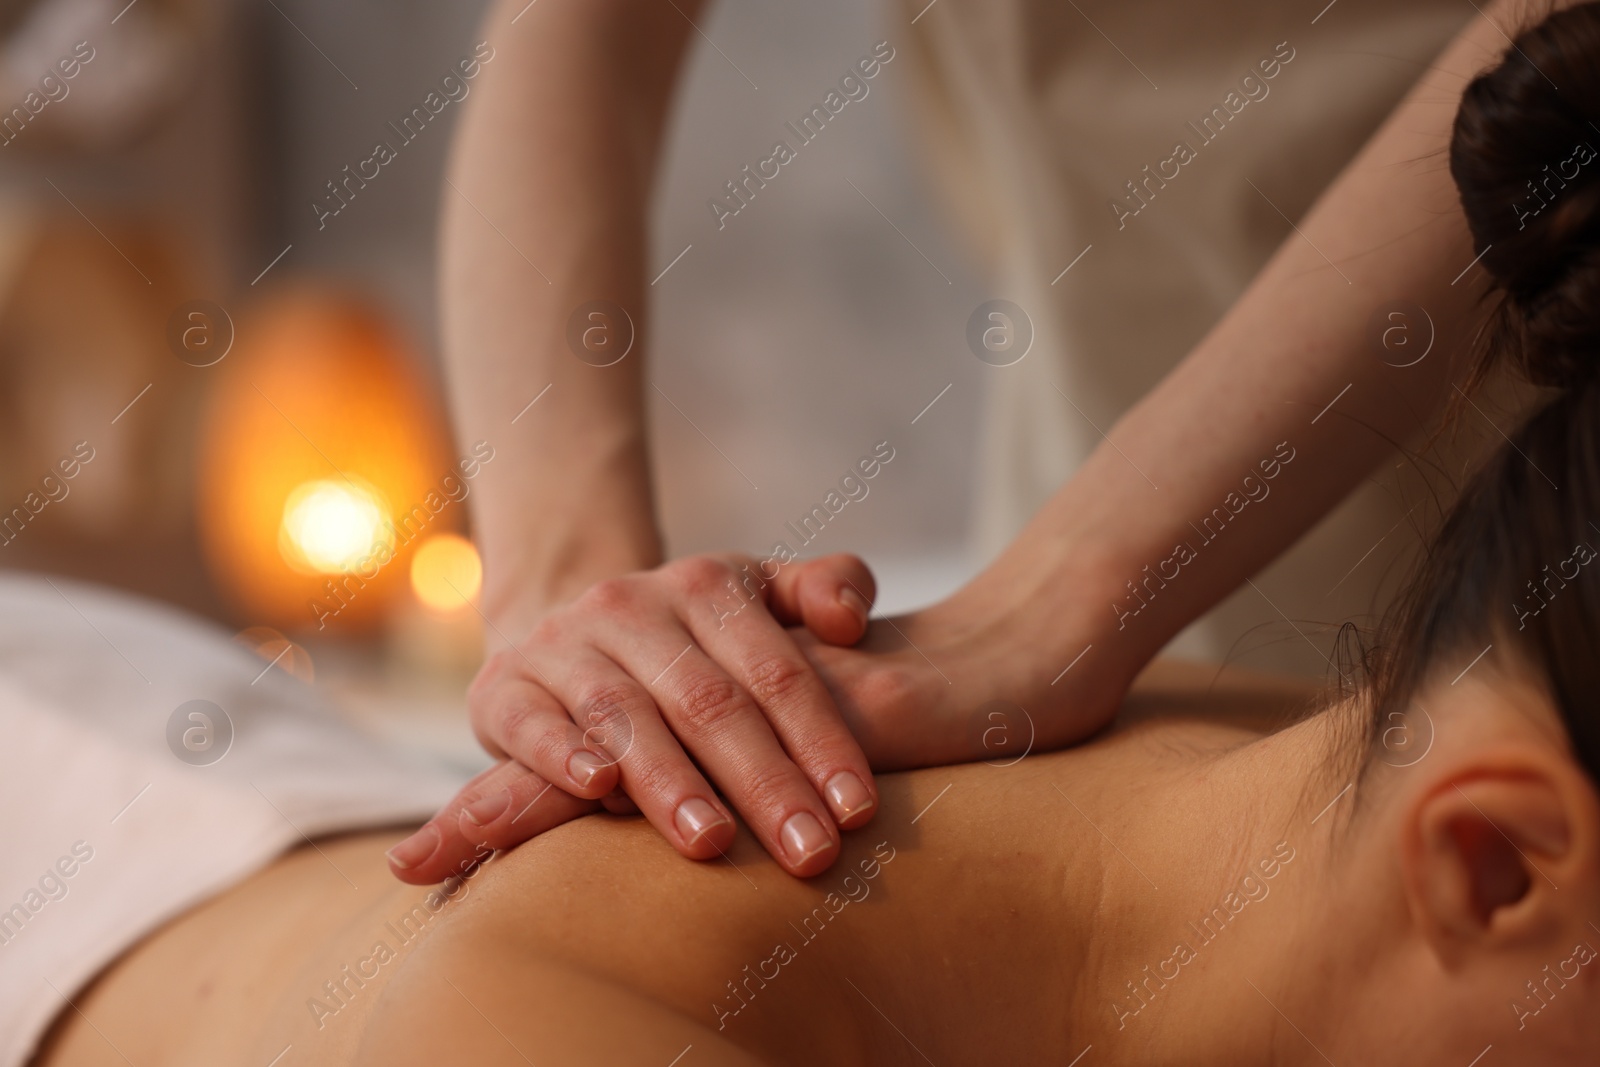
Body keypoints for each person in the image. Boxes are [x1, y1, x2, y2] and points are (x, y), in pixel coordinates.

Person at [397, 0, 1556, 881]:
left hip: (1544, 509)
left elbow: (1558, 54)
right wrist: (577, 626)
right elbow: (585, 37)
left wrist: (1063, 597)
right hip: (1075, 545)